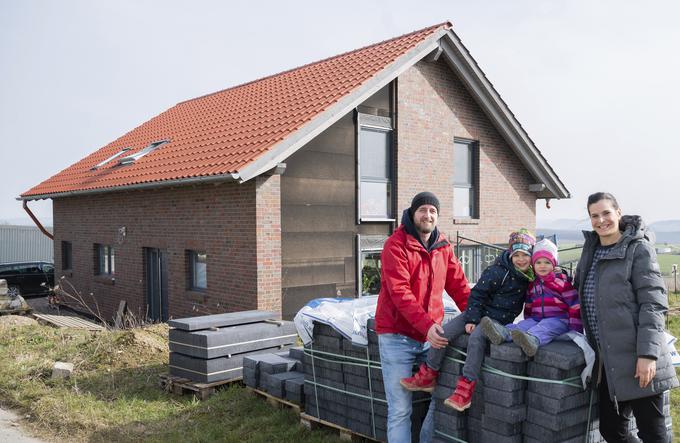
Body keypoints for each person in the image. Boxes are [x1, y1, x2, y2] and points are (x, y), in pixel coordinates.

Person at [575, 192, 678, 442]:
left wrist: (647, 355)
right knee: (611, 430)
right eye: (594, 216)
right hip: (607, 360)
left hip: (637, 358)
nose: (601, 220)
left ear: (618, 213)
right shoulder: (592, 250)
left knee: (652, 434)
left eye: (606, 213)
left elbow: (652, 304)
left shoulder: (638, 249)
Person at [400, 229, 536, 412]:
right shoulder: (496, 272)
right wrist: (471, 318)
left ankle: (465, 390)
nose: (521, 259)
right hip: (477, 312)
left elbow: (547, 273)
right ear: (510, 254)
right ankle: (429, 374)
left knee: (476, 338)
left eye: (525, 255)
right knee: (444, 332)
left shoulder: (530, 277)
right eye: (517, 254)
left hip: (497, 322)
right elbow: (477, 294)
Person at [375, 191, 470, 443]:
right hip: (397, 337)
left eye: (433, 211)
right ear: (413, 213)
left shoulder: (443, 246)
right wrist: (428, 325)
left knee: (436, 404)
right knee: (400, 409)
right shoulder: (396, 245)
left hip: (430, 339)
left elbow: (459, 286)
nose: (427, 215)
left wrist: (476, 315)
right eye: (423, 210)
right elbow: (399, 292)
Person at [481, 238, 582, 357]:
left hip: (559, 320)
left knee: (545, 327)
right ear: (533, 265)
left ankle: (532, 341)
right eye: (538, 263)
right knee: (522, 326)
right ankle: (502, 333)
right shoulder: (534, 284)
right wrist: (529, 319)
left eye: (547, 262)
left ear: (554, 264)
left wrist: (575, 329)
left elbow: (575, 305)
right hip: (537, 318)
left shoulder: (561, 283)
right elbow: (529, 305)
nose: (542, 266)